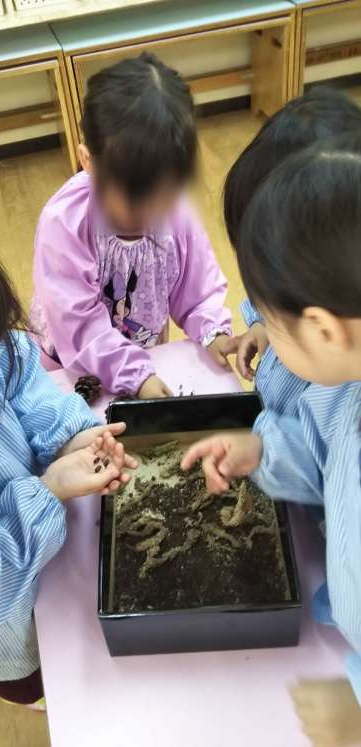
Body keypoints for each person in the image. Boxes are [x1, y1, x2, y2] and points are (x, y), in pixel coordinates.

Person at [182, 134, 361, 746]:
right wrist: (262, 451)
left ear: (323, 329)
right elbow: (324, 455)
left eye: (271, 323)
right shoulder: (346, 391)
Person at [0, 212, 134, 708]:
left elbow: (25, 381)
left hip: (55, 543)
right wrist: (47, 490)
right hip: (7, 629)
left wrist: (73, 438)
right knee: (46, 685)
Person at [31, 53, 232, 398]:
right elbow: (78, 324)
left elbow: (198, 290)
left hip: (145, 363)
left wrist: (215, 332)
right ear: (88, 161)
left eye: (163, 195)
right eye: (134, 198)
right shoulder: (65, 223)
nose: (150, 213)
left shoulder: (177, 213)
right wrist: (134, 375)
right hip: (71, 370)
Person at [224, 86, 361, 415]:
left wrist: (261, 441)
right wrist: (261, 323)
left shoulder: (338, 388)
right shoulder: (314, 301)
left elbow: (306, 435)